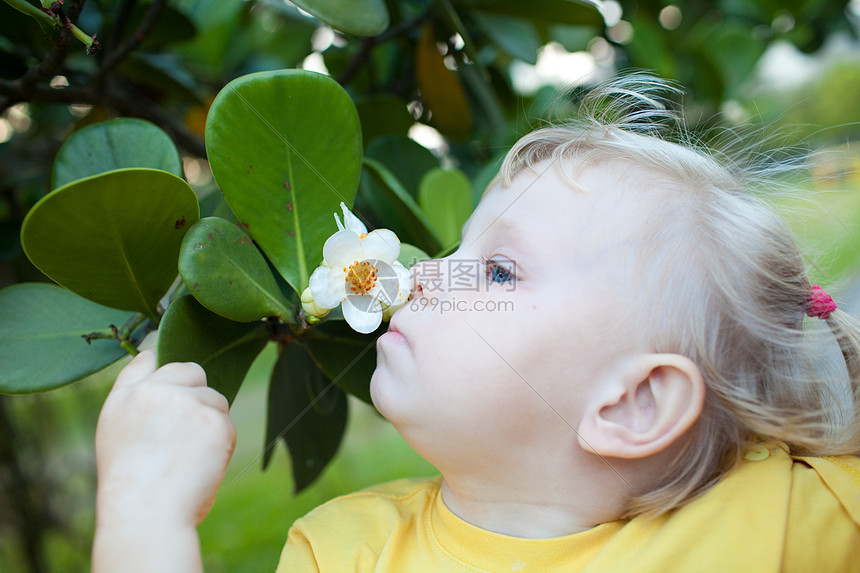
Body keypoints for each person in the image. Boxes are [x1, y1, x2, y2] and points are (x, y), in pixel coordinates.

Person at [92, 76, 860, 572]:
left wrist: (142, 509)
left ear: (634, 403)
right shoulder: (342, 551)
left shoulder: (780, 514)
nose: (423, 272)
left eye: (498, 270)